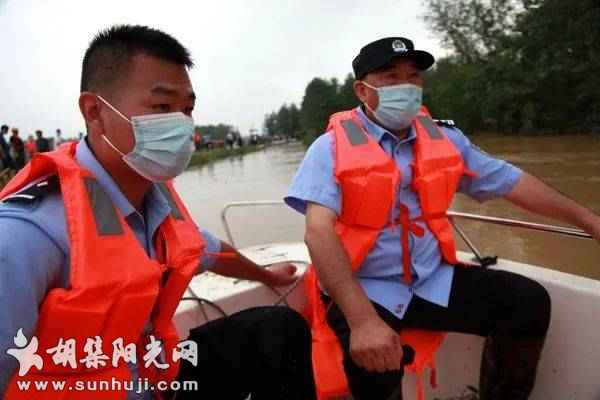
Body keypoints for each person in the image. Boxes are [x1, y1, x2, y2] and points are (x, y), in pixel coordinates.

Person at [0, 25, 315, 400]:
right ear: (95, 112)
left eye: (187, 109)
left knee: (276, 330)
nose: (182, 125)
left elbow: (211, 252)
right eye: (162, 107)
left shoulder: (153, 196)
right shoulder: (27, 234)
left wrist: (266, 274)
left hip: (158, 378)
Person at [285, 37, 600, 400]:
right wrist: (362, 321)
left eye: (414, 76)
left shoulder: (445, 137)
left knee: (527, 302)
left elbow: (511, 182)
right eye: (390, 77)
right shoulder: (330, 148)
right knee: (376, 364)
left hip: (430, 278)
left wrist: (587, 219)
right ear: (362, 90)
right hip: (364, 288)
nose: (405, 86)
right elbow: (318, 233)